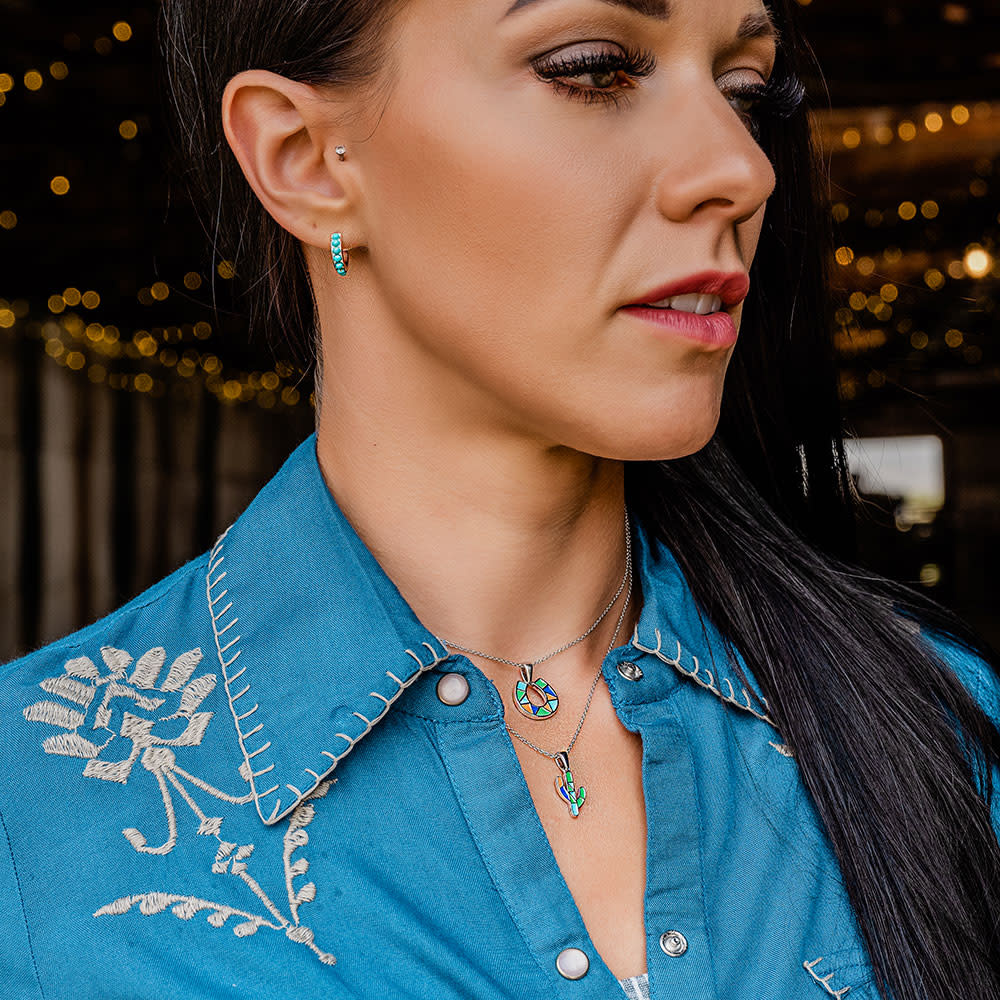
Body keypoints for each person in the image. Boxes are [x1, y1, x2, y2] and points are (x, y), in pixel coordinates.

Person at [1, 0, 998, 997]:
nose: (741, 168)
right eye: (594, 68)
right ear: (307, 160)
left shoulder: (942, 729)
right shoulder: (30, 824)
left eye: (743, 91)